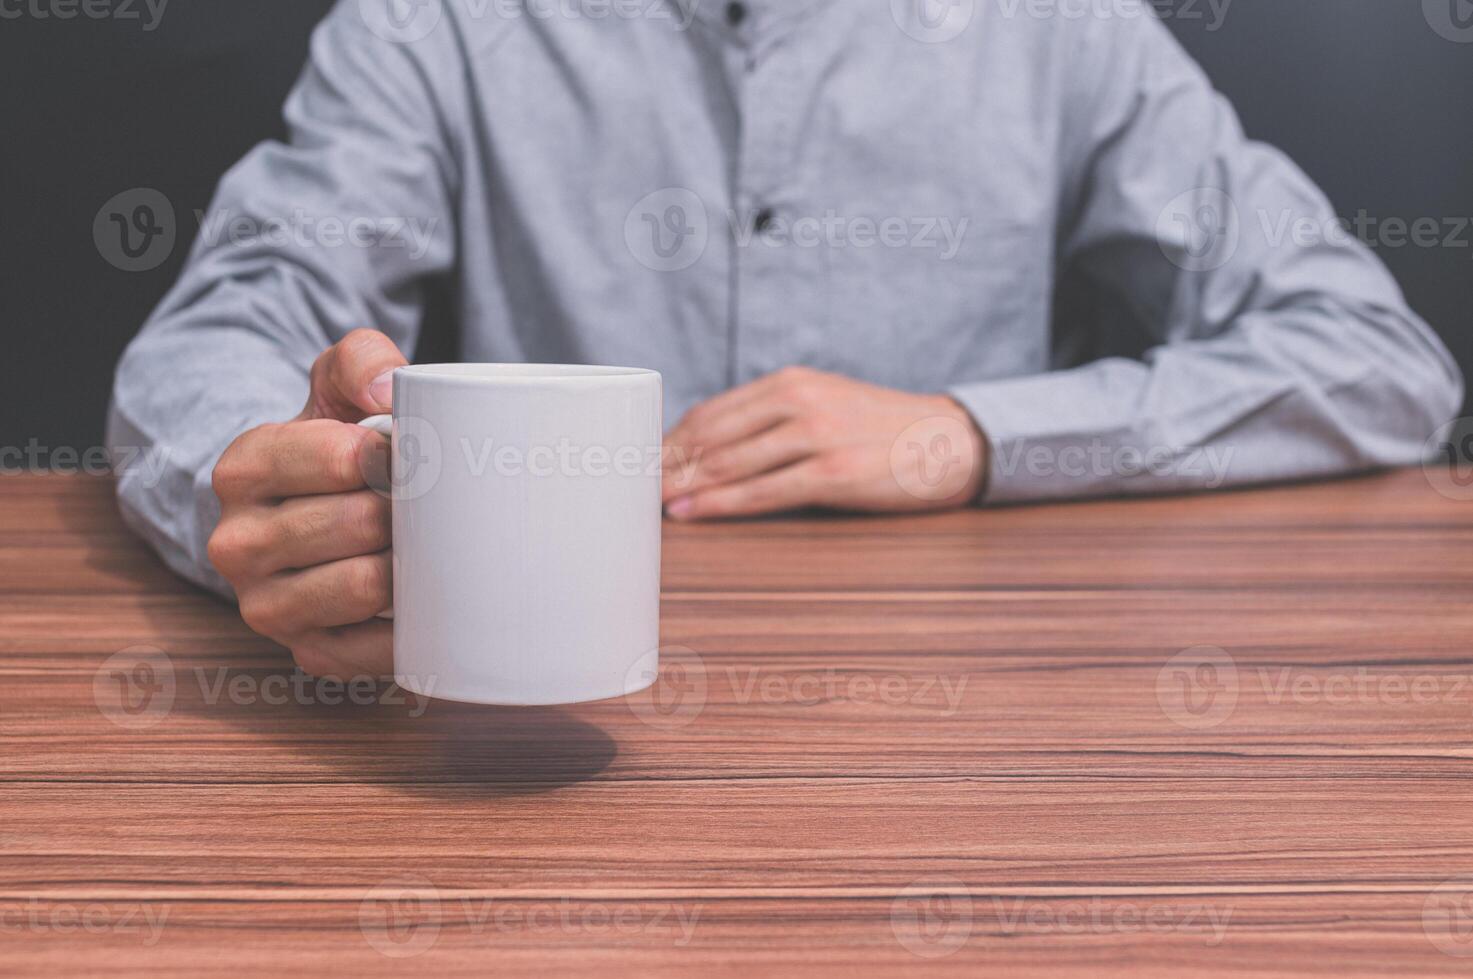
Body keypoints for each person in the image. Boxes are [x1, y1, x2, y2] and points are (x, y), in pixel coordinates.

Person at [108, 0, 1461, 680]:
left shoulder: (1057, 26)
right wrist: (272, 483)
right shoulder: (439, 20)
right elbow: (234, 316)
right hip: (508, 751)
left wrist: (973, 434)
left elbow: (1374, 357)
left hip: (961, 751)